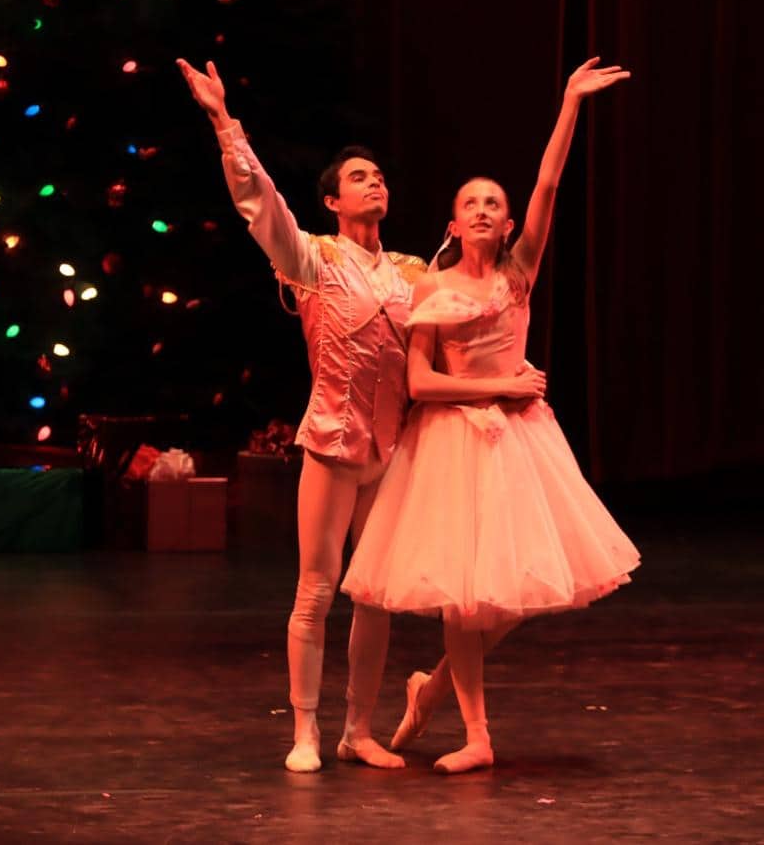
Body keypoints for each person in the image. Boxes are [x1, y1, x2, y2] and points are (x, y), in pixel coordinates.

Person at [178, 58, 532, 774]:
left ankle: (357, 730)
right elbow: (261, 205)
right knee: (317, 587)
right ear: (333, 201)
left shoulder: (412, 273)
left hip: (391, 450)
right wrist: (224, 123)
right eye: (359, 178)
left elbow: (471, 312)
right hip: (333, 443)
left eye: (379, 177)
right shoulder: (313, 259)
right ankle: (305, 730)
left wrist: (505, 379)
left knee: (375, 597)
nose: (375, 184)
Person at [340, 57, 640, 774]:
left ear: (508, 226)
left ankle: (433, 687)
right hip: (453, 441)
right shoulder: (431, 287)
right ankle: (477, 734)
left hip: (520, 445)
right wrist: (501, 385)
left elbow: (549, 184)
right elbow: (419, 382)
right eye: (470, 202)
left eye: (494, 203)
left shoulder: (519, 274)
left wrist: (570, 104)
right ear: (452, 222)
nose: (483, 209)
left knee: (515, 595)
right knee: (464, 597)